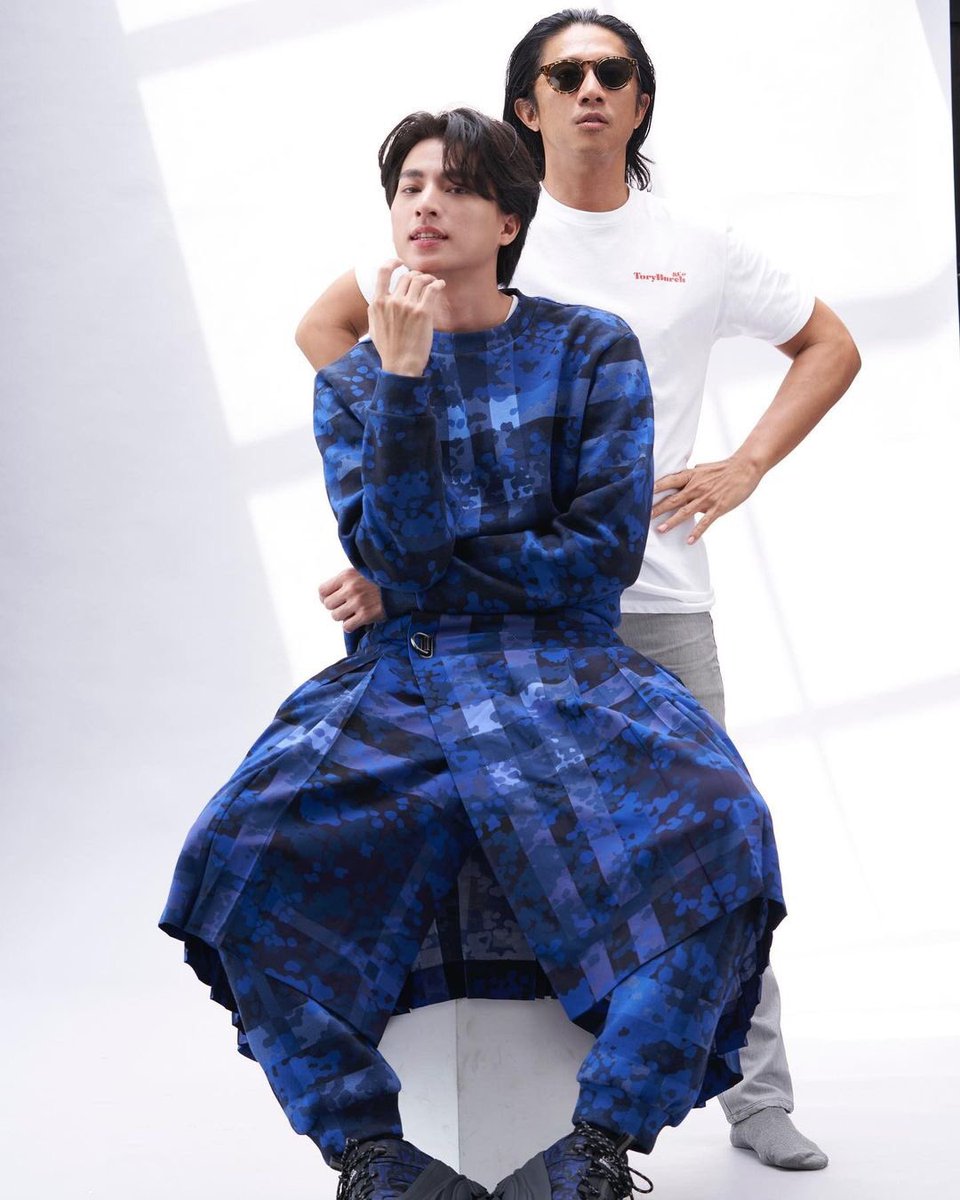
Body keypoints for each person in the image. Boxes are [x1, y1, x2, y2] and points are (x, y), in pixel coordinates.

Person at [162, 108, 785, 1200]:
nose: (426, 204)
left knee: (724, 829)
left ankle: (601, 1145)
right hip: (404, 671)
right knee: (236, 853)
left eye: (454, 186)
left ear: (508, 220)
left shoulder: (590, 348)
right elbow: (390, 554)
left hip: (570, 668)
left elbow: (598, 557)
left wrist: (416, 574)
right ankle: (369, 1152)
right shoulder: (356, 381)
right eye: (409, 186)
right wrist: (403, 383)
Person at [296, 8, 860, 1173]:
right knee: (499, 853)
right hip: (479, 624)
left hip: (653, 595)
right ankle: (538, 1124)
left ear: (641, 100)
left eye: (615, 71)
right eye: (566, 74)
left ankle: (755, 1097)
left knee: (710, 841)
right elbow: (334, 336)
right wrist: (408, 520)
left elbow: (830, 343)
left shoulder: (697, 245)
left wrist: (745, 466)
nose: (591, 88)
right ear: (527, 103)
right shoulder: (473, 215)